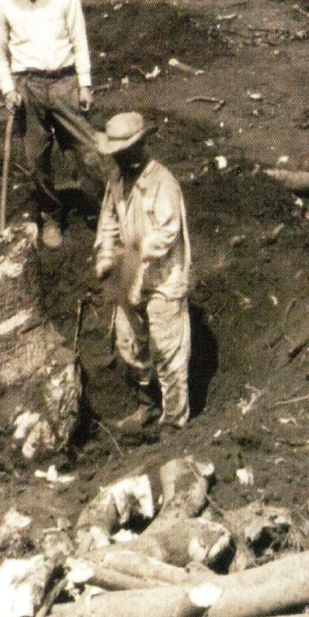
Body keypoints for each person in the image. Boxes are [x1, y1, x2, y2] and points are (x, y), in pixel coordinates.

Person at [0, 0, 104, 249]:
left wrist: (84, 83)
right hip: (28, 86)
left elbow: (79, 40)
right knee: (37, 161)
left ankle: (102, 215)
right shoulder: (2, 3)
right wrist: (8, 89)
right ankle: (52, 216)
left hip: (65, 81)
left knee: (89, 152)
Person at [93, 112, 192, 433]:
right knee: (129, 345)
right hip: (130, 278)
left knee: (167, 349)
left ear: (139, 146)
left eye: (124, 152)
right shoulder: (116, 181)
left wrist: (134, 257)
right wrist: (106, 256)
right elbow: (108, 222)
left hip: (163, 278)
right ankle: (147, 406)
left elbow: (166, 234)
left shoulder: (162, 182)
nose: (119, 158)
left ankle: (174, 421)